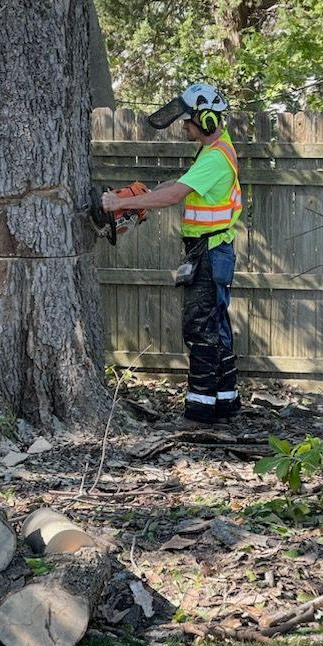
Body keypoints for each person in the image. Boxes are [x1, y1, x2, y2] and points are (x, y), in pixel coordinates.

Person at [101, 83, 242, 427]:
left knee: (200, 329)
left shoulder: (216, 158)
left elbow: (175, 195)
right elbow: (177, 185)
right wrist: (145, 193)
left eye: (188, 121)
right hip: (209, 249)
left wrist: (122, 203)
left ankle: (199, 413)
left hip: (209, 251)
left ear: (207, 120)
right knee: (216, 328)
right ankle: (225, 406)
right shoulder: (213, 152)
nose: (184, 127)